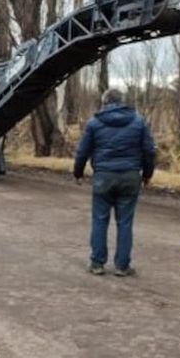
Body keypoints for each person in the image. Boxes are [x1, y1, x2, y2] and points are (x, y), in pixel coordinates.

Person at [73, 88, 156, 277]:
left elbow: (82, 151)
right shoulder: (138, 121)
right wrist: (147, 174)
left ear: (104, 102)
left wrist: (78, 173)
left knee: (100, 220)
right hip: (130, 176)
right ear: (123, 101)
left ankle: (97, 263)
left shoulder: (94, 123)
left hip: (103, 177)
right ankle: (122, 266)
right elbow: (149, 151)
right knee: (125, 222)